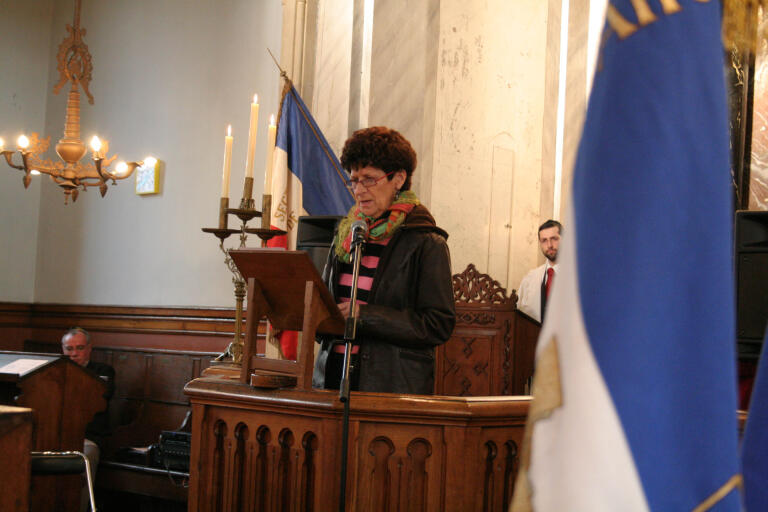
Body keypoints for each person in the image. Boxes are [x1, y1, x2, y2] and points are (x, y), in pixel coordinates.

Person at [312, 126, 456, 395]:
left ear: (399, 178)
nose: (358, 190)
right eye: (353, 180)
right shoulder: (346, 234)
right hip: (331, 376)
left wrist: (365, 316)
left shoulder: (426, 241)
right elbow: (326, 306)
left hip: (390, 384)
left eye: (369, 179)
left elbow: (438, 324)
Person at [61, 327, 115, 510]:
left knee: (85, 457)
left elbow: (98, 397)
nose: (74, 353)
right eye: (69, 349)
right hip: (57, 435)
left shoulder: (103, 371)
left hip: (89, 436)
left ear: (89, 349)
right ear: (62, 349)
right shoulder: (53, 373)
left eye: (79, 348)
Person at [516, 219, 562, 322]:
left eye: (554, 239)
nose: (549, 245)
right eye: (544, 240)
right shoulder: (529, 279)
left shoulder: (580, 277)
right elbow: (517, 315)